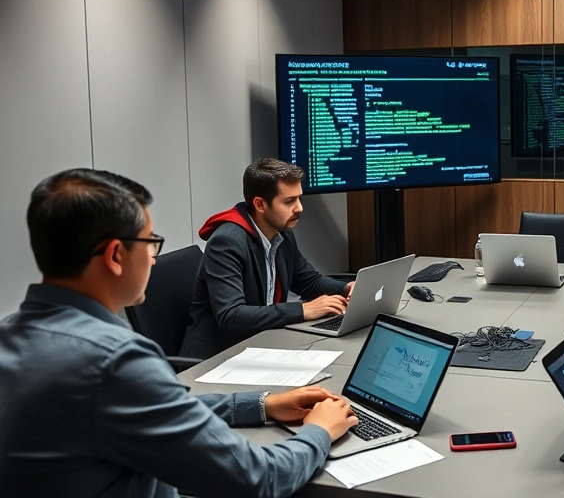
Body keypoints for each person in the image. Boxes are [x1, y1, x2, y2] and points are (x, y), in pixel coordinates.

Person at [0, 168, 359, 497]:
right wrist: (320, 431)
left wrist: (261, 404)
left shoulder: (10, 336)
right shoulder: (116, 360)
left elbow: (143, 408)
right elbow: (258, 478)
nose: (154, 259)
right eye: (150, 243)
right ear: (114, 256)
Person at [181, 159, 352, 359]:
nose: (299, 208)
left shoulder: (282, 233)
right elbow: (231, 316)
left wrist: (345, 288)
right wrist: (303, 310)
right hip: (218, 357)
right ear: (260, 204)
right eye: (289, 201)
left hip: (260, 344)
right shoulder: (227, 242)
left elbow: (307, 281)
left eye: (299, 199)